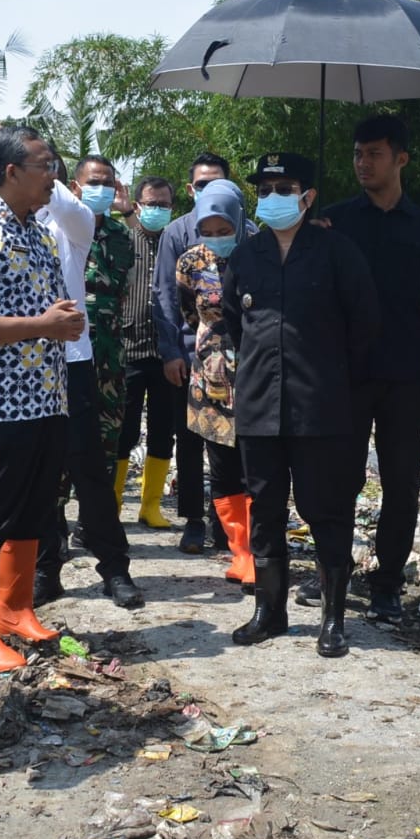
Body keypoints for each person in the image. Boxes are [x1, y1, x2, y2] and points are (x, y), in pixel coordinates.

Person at [223, 152, 379, 657]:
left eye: (284, 188)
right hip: (259, 407)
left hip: (320, 407)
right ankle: (269, 611)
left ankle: (333, 618)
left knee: (325, 509)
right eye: (264, 189)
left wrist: (335, 381)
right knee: (265, 510)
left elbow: (363, 326)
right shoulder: (245, 256)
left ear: (307, 197)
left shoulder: (339, 252)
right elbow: (234, 323)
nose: (272, 197)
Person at [0, 128, 87, 672]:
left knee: (36, 506)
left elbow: (48, 308)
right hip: (4, 400)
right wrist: (43, 325)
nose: (53, 175)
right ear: (11, 172)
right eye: (44, 165)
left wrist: (63, 321)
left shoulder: (40, 232)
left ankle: (14, 608)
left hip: (49, 395)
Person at [318, 116, 420, 621]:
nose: (363, 163)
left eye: (374, 153)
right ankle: (332, 571)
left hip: (405, 373)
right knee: (338, 479)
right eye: (358, 153)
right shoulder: (331, 222)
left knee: (402, 481)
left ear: (401, 158)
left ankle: (387, 582)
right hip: (344, 373)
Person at [31, 146, 143, 610]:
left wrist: (39, 159)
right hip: (36, 364)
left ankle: (114, 567)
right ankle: (46, 567)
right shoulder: (25, 227)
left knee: (93, 470)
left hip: (84, 360)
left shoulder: (78, 222)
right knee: (44, 474)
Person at [154, 152, 254, 547]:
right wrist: (174, 350)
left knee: (249, 454)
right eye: (200, 185)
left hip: (253, 367)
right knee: (199, 445)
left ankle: (247, 539)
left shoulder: (257, 245)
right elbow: (171, 300)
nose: (215, 234)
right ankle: (199, 520)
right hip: (204, 364)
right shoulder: (182, 242)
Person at [175, 180, 253, 587]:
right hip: (212, 377)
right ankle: (241, 553)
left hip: (258, 372)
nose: (217, 237)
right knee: (221, 465)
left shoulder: (261, 253)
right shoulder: (191, 262)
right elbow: (190, 313)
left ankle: (261, 547)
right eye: (208, 230)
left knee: (257, 466)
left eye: (225, 230)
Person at [112, 176, 183, 545]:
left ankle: (150, 505)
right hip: (127, 351)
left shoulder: (176, 242)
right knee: (122, 431)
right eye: (151, 203)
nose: (157, 210)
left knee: (162, 431)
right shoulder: (124, 239)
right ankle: (111, 503)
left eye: (164, 204)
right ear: (137, 205)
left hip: (167, 355)